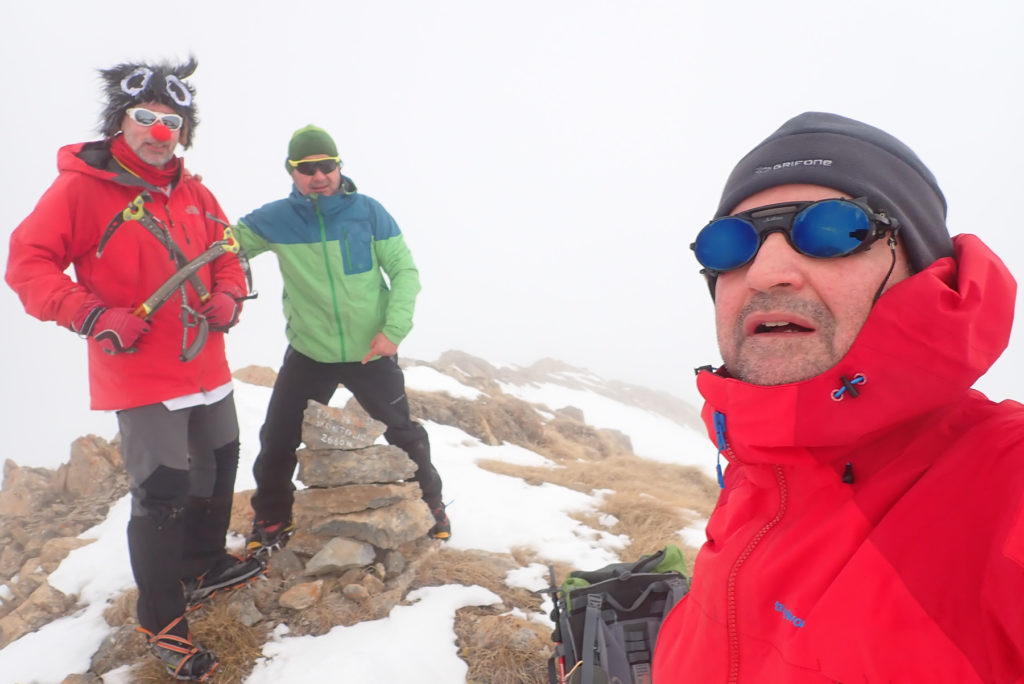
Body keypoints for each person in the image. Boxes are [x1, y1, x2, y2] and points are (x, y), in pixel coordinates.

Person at [652, 112, 1024, 682]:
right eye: (731, 244)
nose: (767, 272)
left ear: (925, 271)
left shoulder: (1005, 480)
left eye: (833, 230)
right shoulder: (757, 477)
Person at [5, 58, 265, 681]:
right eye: (145, 118)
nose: (158, 131)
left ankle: (203, 562)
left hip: (207, 364)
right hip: (141, 375)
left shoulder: (197, 193)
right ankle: (162, 618)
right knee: (163, 493)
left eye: (171, 121)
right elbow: (27, 265)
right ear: (120, 122)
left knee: (220, 462)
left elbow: (226, 256)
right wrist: (93, 315)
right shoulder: (81, 190)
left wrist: (228, 294)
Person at [233, 124, 448, 556]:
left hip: (371, 350)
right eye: (307, 168)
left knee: (403, 432)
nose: (319, 175)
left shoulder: (368, 212)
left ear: (339, 166)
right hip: (310, 351)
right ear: (292, 172)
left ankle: (433, 506)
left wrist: (393, 331)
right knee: (276, 437)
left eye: (326, 165)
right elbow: (223, 245)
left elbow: (404, 272)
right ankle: (273, 515)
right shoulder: (274, 219)